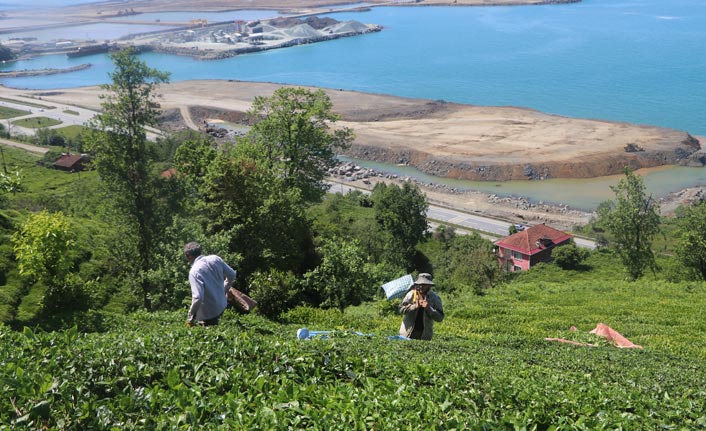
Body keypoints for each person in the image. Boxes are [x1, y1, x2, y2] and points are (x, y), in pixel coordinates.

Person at [183, 242, 237, 326]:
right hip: (222, 304)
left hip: (209, 312)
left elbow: (197, 297)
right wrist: (223, 289)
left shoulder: (194, 271)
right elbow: (232, 275)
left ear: (188, 255)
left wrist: (190, 317)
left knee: (210, 335)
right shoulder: (215, 259)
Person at [399, 273, 444, 340]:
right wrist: (414, 306)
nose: (421, 286)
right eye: (420, 284)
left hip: (424, 336)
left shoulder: (435, 298)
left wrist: (428, 308)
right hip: (406, 334)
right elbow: (401, 309)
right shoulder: (411, 295)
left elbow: (440, 318)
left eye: (424, 285)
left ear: (429, 285)